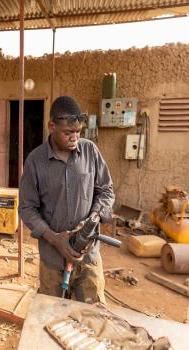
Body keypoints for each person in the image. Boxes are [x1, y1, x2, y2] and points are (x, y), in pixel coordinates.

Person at [18, 96, 114, 303]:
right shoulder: (35, 161)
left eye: (78, 132)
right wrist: (56, 239)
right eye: (68, 132)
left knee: (93, 319)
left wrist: (94, 218)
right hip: (53, 262)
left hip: (88, 259)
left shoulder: (90, 151)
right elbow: (26, 208)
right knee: (51, 318)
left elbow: (106, 190)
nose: (75, 138)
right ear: (52, 126)